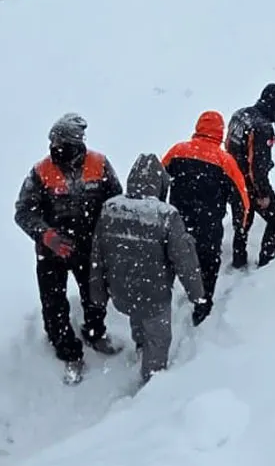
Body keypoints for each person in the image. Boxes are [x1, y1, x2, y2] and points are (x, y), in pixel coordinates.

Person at [14, 113, 124, 384]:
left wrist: (105, 235)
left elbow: (115, 202)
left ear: (77, 143)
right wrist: (46, 235)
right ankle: (68, 352)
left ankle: (96, 333)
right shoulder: (40, 171)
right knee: (53, 304)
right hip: (51, 249)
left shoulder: (99, 164)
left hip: (89, 246)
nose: (57, 148)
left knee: (95, 295)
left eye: (63, 143)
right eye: (53, 142)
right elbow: (23, 211)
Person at [89, 154, 209, 384]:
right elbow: (185, 260)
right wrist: (197, 294)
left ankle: (140, 346)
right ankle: (151, 386)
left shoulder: (110, 208)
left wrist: (98, 295)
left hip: (122, 290)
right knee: (158, 338)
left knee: (137, 314)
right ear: (160, 184)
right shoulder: (165, 215)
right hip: (154, 295)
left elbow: (97, 255)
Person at [162, 110, 250, 323]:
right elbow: (241, 198)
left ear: (198, 127)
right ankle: (202, 306)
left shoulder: (177, 151)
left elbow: (157, 178)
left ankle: (163, 303)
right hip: (208, 226)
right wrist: (241, 225)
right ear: (220, 133)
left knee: (170, 262)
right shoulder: (225, 161)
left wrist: (158, 208)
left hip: (177, 223)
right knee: (208, 266)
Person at [226, 83, 275, 269]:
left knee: (242, 223)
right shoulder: (262, 127)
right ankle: (266, 264)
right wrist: (262, 193)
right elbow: (257, 166)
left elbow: (229, 144)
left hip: (232, 177)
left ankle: (238, 261)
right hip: (249, 182)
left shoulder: (240, 114)